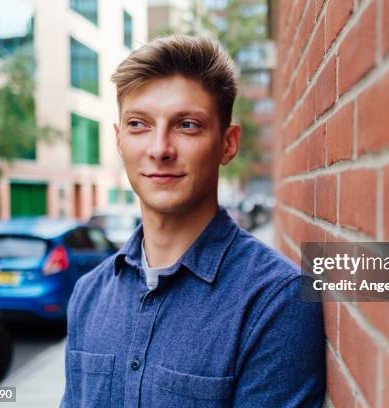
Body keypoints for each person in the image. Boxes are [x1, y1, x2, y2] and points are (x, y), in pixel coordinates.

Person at [60, 34, 325, 407]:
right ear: (119, 140)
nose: (159, 150)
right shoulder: (88, 295)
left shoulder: (276, 302)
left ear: (228, 144)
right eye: (139, 124)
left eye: (187, 125)